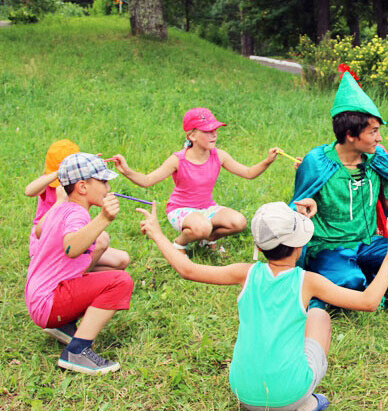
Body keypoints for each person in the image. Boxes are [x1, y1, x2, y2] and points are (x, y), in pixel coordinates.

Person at [137, 200, 388, 411]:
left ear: (258, 244)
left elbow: (188, 269)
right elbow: (369, 301)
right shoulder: (309, 282)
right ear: (301, 245)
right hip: (288, 396)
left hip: (244, 393)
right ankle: (307, 403)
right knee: (319, 316)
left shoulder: (245, 273)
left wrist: (157, 233)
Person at [290, 72, 388, 306]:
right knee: (351, 280)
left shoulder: (375, 159)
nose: (379, 137)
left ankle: (366, 282)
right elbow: (297, 207)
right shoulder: (317, 162)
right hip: (328, 248)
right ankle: (358, 283)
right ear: (350, 135)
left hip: (367, 244)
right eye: (373, 131)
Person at [110, 107, 282, 252]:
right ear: (192, 136)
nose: (214, 135)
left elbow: (248, 172)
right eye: (207, 131)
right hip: (180, 210)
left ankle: (208, 240)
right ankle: (178, 245)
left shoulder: (219, 156)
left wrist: (267, 161)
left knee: (239, 222)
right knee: (202, 227)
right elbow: (148, 180)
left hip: (207, 208)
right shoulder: (178, 160)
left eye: (215, 130)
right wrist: (126, 171)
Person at [25, 152, 134, 375]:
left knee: (109, 270)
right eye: (103, 181)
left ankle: (63, 326)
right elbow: (71, 248)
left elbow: (40, 231)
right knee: (120, 281)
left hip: (38, 298)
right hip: (48, 302)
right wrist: (103, 218)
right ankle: (77, 351)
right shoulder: (77, 214)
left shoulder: (60, 208)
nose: (107, 187)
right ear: (82, 187)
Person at [25, 139, 130, 270]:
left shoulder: (80, 188)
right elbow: (29, 191)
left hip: (71, 238)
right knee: (102, 240)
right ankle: (71, 279)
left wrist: (89, 166)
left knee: (122, 261)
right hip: (48, 243)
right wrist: (59, 173)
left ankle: (80, 278)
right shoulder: (51, 185)